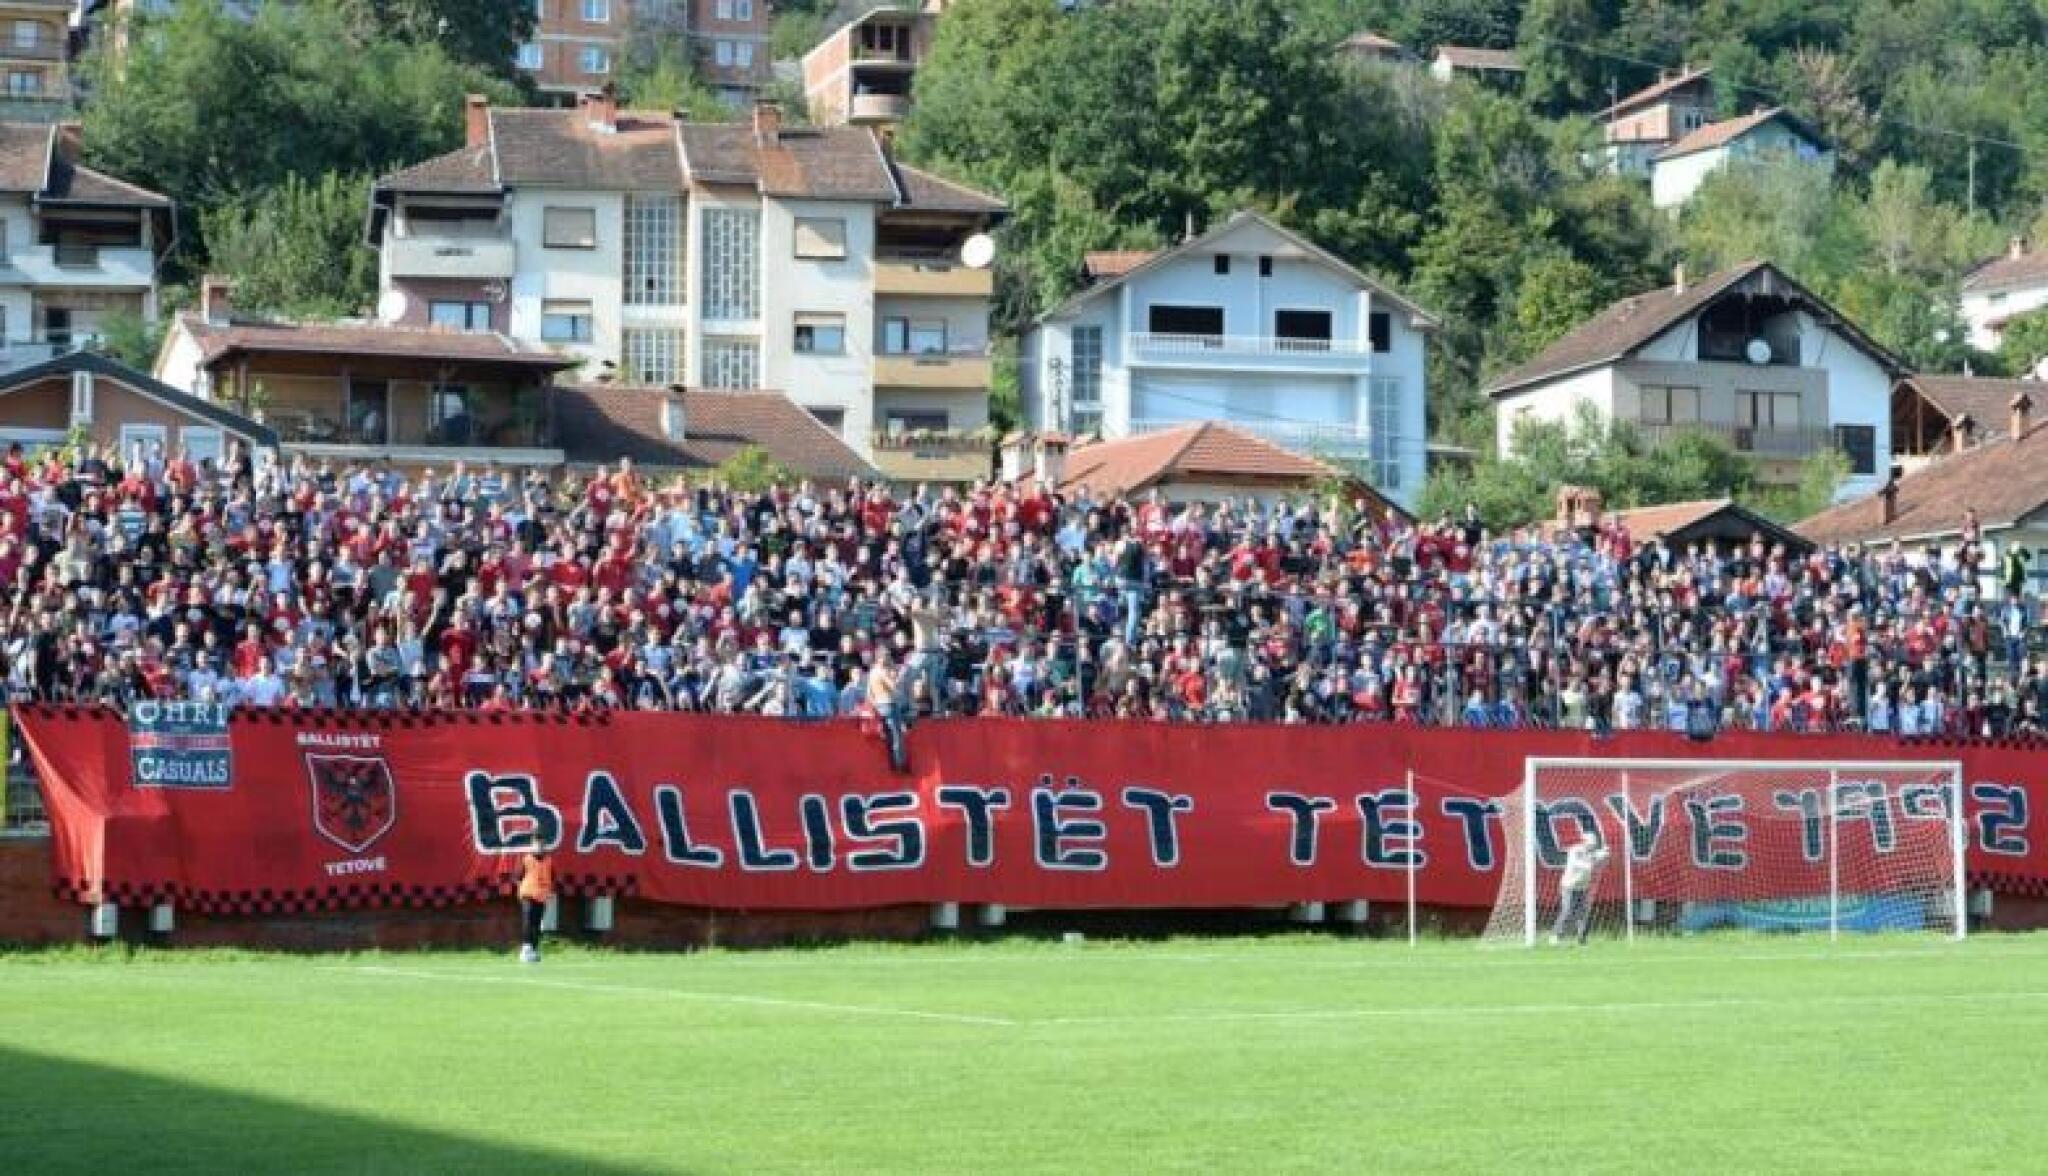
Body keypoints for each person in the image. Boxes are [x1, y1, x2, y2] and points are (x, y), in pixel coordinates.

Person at [1551, 830, 1609, 946]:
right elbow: (1581, 864)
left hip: (1583, 887)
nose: (1592, 846)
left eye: (1594, 845)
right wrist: (1597, 857)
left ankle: (1582, 940)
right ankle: (1556, 936)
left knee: (1583, 914)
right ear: (1584, 842)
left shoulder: (1591, 854)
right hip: (1569, 886)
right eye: (1590, 844)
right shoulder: (1575, 851)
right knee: (1568, 911)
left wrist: (1605, 854)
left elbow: (1597, 859)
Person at [516, 839, 555, 964]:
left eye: (541, 845)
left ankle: (534, 948)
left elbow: (552, 877)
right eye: (536, 845)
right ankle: (526, 948)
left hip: (541, 896)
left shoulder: (549, 861)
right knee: (528, 920)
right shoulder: (526, 860)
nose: (539, 847)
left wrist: (548, 892)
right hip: (528, 895)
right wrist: (522, 889)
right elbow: (518, 877)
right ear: (532, 846)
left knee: (537, 924)